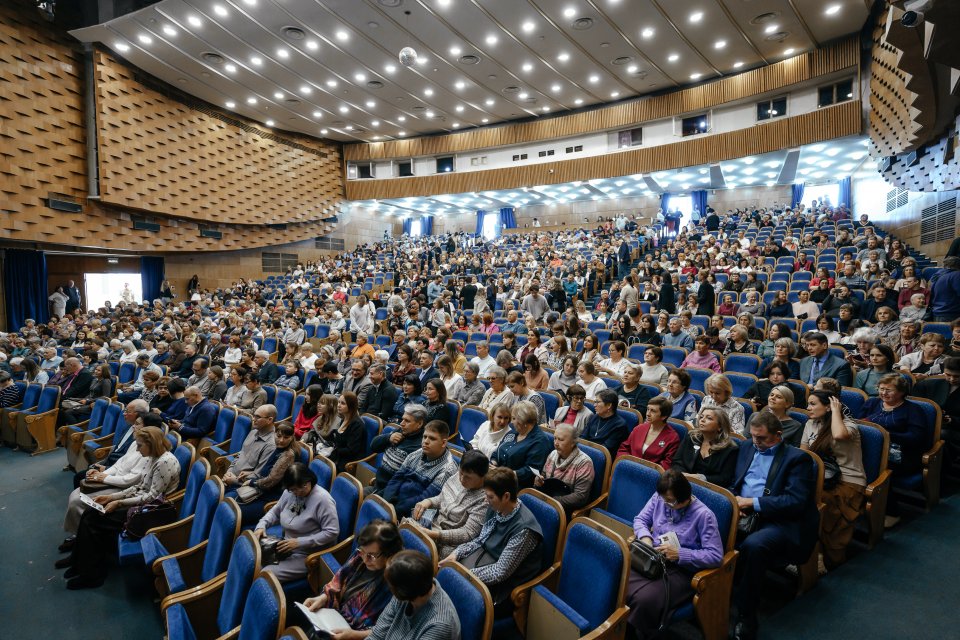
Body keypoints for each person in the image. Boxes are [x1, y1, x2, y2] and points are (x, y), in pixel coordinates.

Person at [730, 412, 818, 640]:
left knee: (754, 546)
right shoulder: (747, 446)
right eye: (753, 436)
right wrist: (734, 502)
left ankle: (746, 614)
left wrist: (752, 502)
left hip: (781, 520)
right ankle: (717, 590)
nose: (756, 442)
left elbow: (795, 502)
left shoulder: (797, 459)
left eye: (762, 438)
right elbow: (735, 483)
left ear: (778, 435)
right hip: (744, 511)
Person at [59, 426, 180, 589]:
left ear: (151, 444)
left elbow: (151, 497)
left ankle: (93, 575)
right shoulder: (153, 457)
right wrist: (112, 497)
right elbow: (139, 487)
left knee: (94, 519)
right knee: (89, 512)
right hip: (141, 503)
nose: (137, 449)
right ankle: (78, 561)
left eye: (139, 445)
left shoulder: (165, 462)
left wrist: (119, 503)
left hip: (151, 511)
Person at [627, 469, 723, 640]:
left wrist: (680, 554)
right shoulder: (661, 497)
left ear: (685, 498)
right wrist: (647, 540)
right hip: (655, 558)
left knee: (644, 599)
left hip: (683, 570)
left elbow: (715, 556)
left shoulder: (704, 515)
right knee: (621, 581)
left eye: (670, 501)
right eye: (663, 499)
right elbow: (640, 520)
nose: (665, 504)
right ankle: (625, 631)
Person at [442, 466, 544, 618]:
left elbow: (500, 572)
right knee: (445, 582)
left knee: (455, 599)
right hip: (484, 560)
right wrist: (456, 553)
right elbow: (480, 540)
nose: (486, 500)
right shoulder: (496, 507)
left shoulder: (524, 529)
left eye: (490, 496)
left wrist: (464, 574)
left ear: (506, 496)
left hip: (505, 586)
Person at [301, 520, 404, 638]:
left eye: (371, 556)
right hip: (335, 620)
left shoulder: (397, 581)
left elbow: (390, 630)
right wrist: (323, 598)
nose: (365, 560)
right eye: (362, 552)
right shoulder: (360, 556)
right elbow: (338, 583)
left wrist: (354, 635)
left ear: (390, 553)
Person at [801, 391, 866, 569]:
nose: (808, 408)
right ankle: (805, 550)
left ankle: (820, 553)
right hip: (821, 477)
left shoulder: (849, 425)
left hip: (848, 480)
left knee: (818, 501)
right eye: (808, 404)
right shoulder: (810, 424)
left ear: (828, 406)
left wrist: (836, 411)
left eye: (813, 404)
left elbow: (838, 435)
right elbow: (805, 454)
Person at [861, 374, 931, 527]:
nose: (883, 393)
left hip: (903, 455)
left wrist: (885, 435)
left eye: (889, 390)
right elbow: (858, 423)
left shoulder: (913, 410)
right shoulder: (872, 403)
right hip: (871, 450)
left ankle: (892, 512)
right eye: (881, 389)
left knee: (875, 468)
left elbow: (916, 437)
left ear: (901, 392)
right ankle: (859, 504)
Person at [254, 462, 339, 583]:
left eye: (300, 487)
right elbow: (275, 512)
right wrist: (262, 525)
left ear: (308, 481)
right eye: (292, 489)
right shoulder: (289, 492)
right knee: (253, 563)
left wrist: (299, 542)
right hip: (285, 545)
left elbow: (332, 532)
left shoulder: (323, 500)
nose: (297, 493)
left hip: (308, 554)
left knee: (265, 575)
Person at [409, 450, 489, 557]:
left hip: (450, 542)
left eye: (468, 477)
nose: (461, 479)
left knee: (419, 549)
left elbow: (468, 533)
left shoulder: (485, 499)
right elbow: (442, 498)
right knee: (409, 525)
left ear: (483, 476)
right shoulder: (457, 476)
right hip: (435, 524)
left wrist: (436, 535)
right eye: (461, 473)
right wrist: (428, 502)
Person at [368, 550, 461, 640]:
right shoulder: (413, 583)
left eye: (390, 586)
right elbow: (376, 635)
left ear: (402, 593)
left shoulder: (439, 626)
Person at [379, 420, 458, 518]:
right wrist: (387, 502)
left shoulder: (448, 470)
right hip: (394, 502)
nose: (426, 441)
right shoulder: (416, 453)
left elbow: (424, 498)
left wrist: (392, 511)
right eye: (424, 437)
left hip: (413, 513)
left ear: (443, 443)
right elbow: (396, 479)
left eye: (432, 438)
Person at [490, 401, 552, 489]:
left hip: (516, 485)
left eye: (514, 418)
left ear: (523, 421)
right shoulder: (513, 432)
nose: (511, 422)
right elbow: (498, 450)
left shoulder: (540, 441)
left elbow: (531, 471)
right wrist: (493, 463)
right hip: (497, 477)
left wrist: (503, 474)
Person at [673, 407, 739, 487]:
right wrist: (683, 475)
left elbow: (724, 479)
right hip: (682, 482)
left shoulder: (730, 449)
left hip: (709, 489)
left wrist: (700, 478)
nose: (702, 420)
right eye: (701, 417)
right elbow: (677, 462)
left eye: (709, 418)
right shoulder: (691, 438)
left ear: (720, 427)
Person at [370, 404, 427, 493]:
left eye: (407, 421)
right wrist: (388, 438)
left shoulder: (420, 447)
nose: (401, 423)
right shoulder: (400, 431)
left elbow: (406, 484)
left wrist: (378, 495)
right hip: (377, 485)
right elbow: (373, 447)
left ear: (419, 424)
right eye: (402, 419)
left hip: (389, 493)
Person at [617, 396, 679, 468]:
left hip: (651, 473)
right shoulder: (639, 428)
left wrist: (647, 471)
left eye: (653, 411)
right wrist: (627, 463)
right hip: (628, 467)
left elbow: (667, 464)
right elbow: (624, 448)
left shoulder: (672, 438)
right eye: (648, 409)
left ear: (664, 416)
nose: (648, 414)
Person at [580, 389, 629, 455]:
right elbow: (582, 437)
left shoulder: (620, 425)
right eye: (595, 402)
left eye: (597, 402)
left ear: (609, 405)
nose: (594, 405)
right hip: (584, 452)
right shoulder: (594, 417)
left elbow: (605, 449)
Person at [330, 391, 367, 473]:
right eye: (339, 402)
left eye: (343, 403)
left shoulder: (357, 425)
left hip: (349, 462)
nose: (339, 405)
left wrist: (333, 450)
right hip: (339, 455)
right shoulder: (343, 418)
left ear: (351, 406)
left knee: (327, 467)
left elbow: (351, 450)